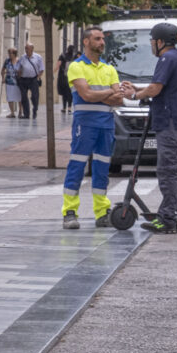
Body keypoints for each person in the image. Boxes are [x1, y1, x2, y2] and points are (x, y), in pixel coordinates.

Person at [126, 23, 177, 234]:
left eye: (152, 40)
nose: (151, 44)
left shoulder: (167, 59)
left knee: (167, 171)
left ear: (160, 42)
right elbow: (160, 86)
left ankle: (167, 218)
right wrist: (138, 89)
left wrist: (133, 95)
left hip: (170, 123)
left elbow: (156, 89)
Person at [61, 27, 126, 230]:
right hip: (85, 124)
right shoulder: (76, 66)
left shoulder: (110, 68)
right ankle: (69, 212)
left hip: (106, 124)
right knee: (77, 166)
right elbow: (87, 95)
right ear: (86, 42)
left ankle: (102, 212)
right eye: (97, 39)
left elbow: (120, 99)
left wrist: (102, 93)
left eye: (103, 39)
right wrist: (109, 93)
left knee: (102, 169)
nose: (102, 42)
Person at [16, 43, 44, 119]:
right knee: (24, 97)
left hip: (33, 79)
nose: (26, 50)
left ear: (32, 49)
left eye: (27, 48)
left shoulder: (38, 57)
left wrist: (38, 77)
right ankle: (26, 114)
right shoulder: (22, 57)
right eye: (25, 48)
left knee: (35, 97)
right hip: (23, 79)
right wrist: (18, 74)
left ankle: (35, 110)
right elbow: (18, 67)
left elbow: (41, 69)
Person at [1, 48, 22, 118]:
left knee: (20, 97)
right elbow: (3, 70)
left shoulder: (19, 61)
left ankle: (20, 112)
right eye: (9, 53)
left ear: (14, 54)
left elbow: (23, 70)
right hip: (9, 81)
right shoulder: (7, 61)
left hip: (18, 82)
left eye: (11, 53)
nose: (9, 55)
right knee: (10, 97)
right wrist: (3, 78)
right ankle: (12, 112)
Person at [56, 45, 75, 114]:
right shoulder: (74, 57)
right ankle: (69, 108)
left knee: (64, 93)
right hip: (72, 78)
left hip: (63, 77)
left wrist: (53, 72)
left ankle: (64, 108)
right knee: (70, 93)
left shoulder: (62, 56)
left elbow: (58, 65)